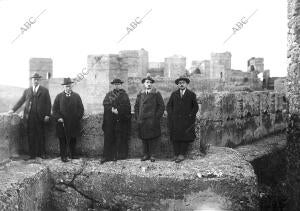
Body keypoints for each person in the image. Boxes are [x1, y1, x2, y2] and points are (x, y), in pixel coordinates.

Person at [8, 72, 51, 159]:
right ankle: (32, 154)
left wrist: (47, 115)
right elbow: (21, 101)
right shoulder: (27, 91)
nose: (35, 81)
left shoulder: (44, 91)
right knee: (31, 136)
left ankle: (42, 153)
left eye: (37, 79)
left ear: (39, 80)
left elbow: (48, 104)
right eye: (34, 79)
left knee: (41, 135)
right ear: (31, 80)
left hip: (40, 117)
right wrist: (13, 110)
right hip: (29, 117)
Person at [167, 75, 199, 163]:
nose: (181, 84)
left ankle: (182, 154)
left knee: (185, 137)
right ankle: (176, 154)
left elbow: (195, 107)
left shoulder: (191, 94)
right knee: (175, 137)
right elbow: (169, 106)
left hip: (186, 121)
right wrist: (171, 115)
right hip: (175, 120)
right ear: (178, 84)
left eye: (183, 83)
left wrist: (190, 116)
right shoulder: (174, 94)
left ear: (186, 84)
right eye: (180, 83)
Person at [134, 74, 165, 162]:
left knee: (153, 138)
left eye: (151, 82)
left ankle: (152, 155)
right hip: (142, 120)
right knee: (144, 138)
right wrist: (137, 117)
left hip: (152, 120)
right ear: (144, 84)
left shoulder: (156, 93)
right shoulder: (140, 94)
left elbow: (161, 106)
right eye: (147, 82)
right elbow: (136, 106)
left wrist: (156, 117)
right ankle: (145, 154)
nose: (149, 84)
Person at [52, 78, 84, 162]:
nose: (68, 88)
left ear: (71, 86)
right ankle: (63, 156)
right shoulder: (59, 96)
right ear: (64, 87)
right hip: (62, 123)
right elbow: (54, 110)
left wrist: (77, 117)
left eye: (69, 86)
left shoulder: (76, 96)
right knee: (63, 140)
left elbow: (81, 109)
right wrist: (58, 118)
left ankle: (73, 155)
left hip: (73, 122)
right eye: (66, 86)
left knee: (73, 138)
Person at [101, 78, 131, 164]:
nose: (117, 85)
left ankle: (116, 156)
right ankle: (107, 156)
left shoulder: (124, 95)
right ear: (113, 85)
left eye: (118, 84)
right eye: (115, 84)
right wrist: (111, 109)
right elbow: (105, 104)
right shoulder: (109, 95)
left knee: (119, 138)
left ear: (121, 85)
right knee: (109, 137)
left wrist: (119, 111)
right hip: (110, 120)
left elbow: (127, 107)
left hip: (120, 120)